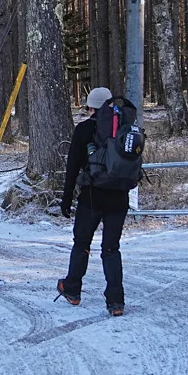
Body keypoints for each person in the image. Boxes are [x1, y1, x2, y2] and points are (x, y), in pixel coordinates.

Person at [56, 86, 136, 317]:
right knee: (111, 249)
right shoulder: (125, 129)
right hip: (119, 197)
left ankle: (72, 288)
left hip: (91, 196)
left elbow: (72, 166)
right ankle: (116, 301)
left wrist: (67, 197)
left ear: (91, 107)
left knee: (82, 243)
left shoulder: (84, 129)